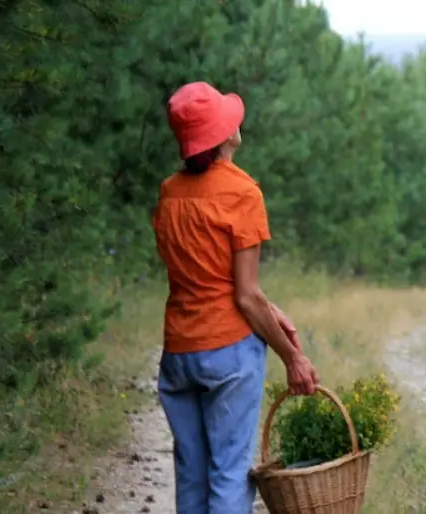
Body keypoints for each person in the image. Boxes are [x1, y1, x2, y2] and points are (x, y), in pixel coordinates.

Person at [152, 81, 320, 513]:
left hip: (179, 352)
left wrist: (268, 307)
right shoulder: (242, 192)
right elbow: (245, 297)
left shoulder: (170, 192)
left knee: (191, 472)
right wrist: (293, 359)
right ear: (225, 135)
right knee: (228, 474)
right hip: (227, 352)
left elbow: (202, 275)